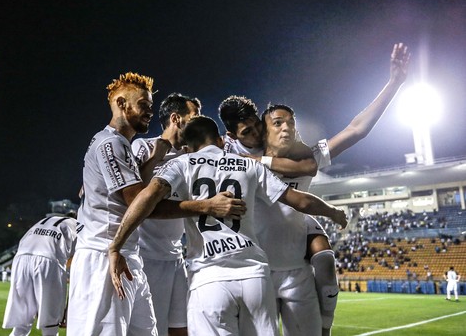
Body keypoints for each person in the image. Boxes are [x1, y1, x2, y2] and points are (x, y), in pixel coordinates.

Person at [109, 116, 347, 336]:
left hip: (209, 278)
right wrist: (333, 211)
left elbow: (145, 199)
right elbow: (300, 200)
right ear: (221, 140)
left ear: (188, 147)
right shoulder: (250, 166)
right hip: (255, 276)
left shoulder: (183, 163)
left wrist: (116, 245)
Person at [67, 73, 244, 335]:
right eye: (143, 106)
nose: (149, 112)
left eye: (150, 106)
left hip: (132, 254)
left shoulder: (122, 145)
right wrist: (206, 206)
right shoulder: (112, 144)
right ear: (121, 103)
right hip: (104, 255)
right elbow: (140, 202)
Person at [257, 43, 409, 336]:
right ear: (264, 131)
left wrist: (394, 83)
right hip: (258, 266)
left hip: (294, 263)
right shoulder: (244, 159)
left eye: (291, 122)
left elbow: (356, 130)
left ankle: (326, 327)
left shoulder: (307, 157)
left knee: (325, 265)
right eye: (278, 123)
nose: (287, 127)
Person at [131, 93, 201, 336]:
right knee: (151, 330)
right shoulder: (142, 146)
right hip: (146, 258)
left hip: (175, 258)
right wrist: (156, 158)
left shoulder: (192, 156)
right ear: (176, 119)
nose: (199, 123)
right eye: (194, 118)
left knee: (181, 329)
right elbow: (133, 196)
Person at [2, 215, 81, 336]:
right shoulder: (79, 226)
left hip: (21, 258)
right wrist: (67, 311)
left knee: (22, 324)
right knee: (50, 324)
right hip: (48, 260)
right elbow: (77, 268)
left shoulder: (46, 221)